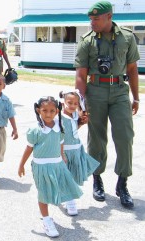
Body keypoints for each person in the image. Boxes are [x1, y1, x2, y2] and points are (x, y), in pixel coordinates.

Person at [74, 1, 140, 209]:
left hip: (120, 91)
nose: (92, 22)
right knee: (97, 138)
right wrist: (81, 105)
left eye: (96, 18)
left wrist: (136, 97)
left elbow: (132, 69)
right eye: (90, 19)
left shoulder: (128, 37)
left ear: (109, 16)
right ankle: (97, 179)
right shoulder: (87, 41)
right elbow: (80, 75)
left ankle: (122, 183)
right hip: (96, 92)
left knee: (124, 136)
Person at [18, 96, 82, 238]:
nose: (48, 114)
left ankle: (69, 202)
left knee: (65, 185)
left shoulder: (60, 127)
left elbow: (60, 142)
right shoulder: (35, 130)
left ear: (57, 111)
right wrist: (21, 165)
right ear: (38, 110)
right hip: (41, 167)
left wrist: (62, 155)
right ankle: (47, 220)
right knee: (44, 193)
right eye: (44, 110)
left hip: (58, 164)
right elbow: (28, 149)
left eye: (52, 111)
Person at [59, 89, 100, 215]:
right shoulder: (59, 118)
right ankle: (70, 201)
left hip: (76, 150)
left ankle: (66, 195)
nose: (72, 106)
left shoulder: (75, 115)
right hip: (65, 152)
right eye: (69, 103)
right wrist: (60, 153)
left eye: (75, 103)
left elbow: (73, 130)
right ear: (63, 102)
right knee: (67, 177)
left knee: (73, 176)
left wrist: (81, 123)